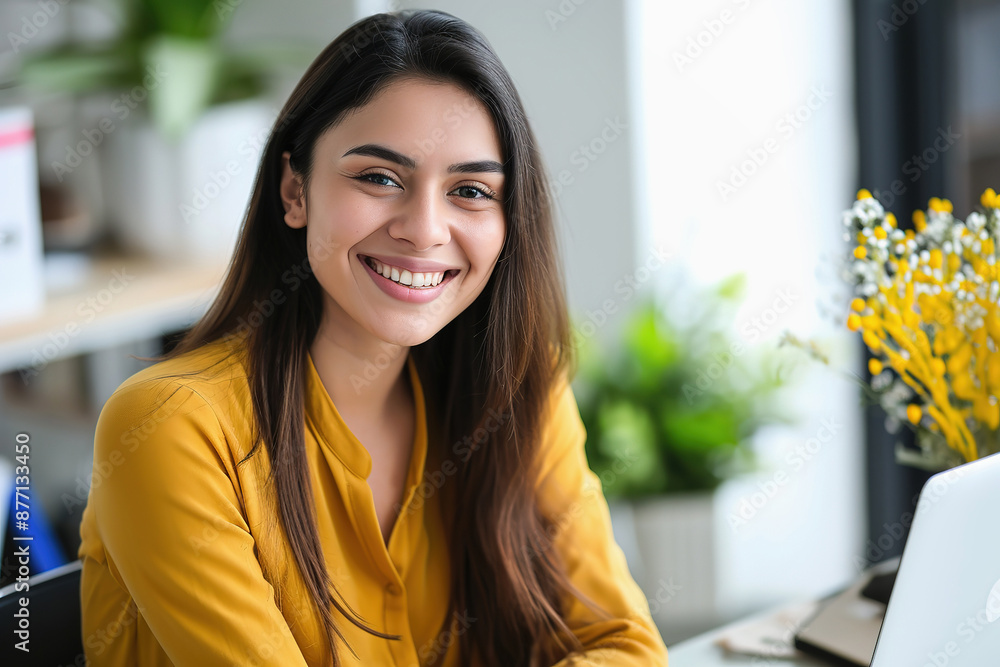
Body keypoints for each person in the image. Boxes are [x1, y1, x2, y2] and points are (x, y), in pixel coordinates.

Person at [78, 9, 669, 666]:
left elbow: (624, 646)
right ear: (294, 190)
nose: (424, 229)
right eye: (380, 178)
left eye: (470, 190)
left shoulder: (520, 390)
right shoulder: (173, 426)